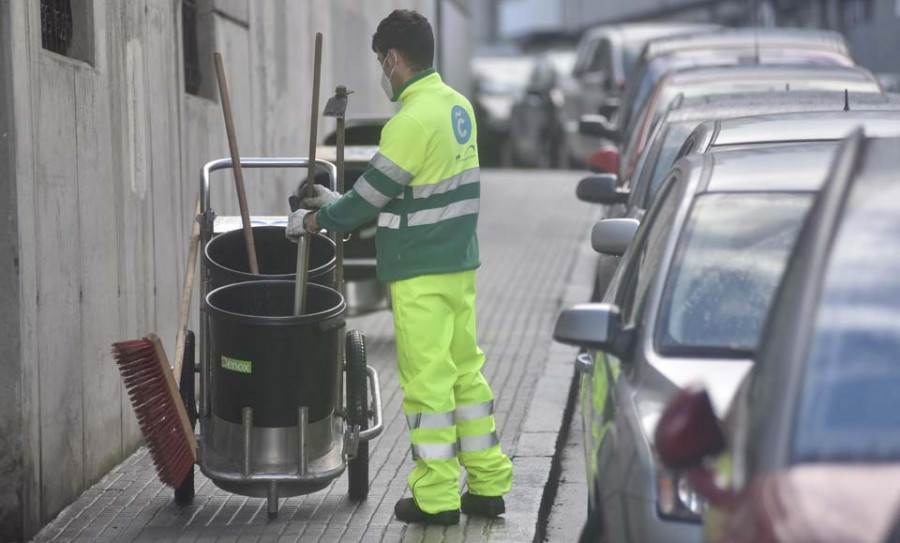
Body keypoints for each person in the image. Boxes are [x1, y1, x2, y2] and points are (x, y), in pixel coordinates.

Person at [286, 9, 512, 526]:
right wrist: (342, 198)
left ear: (392, 58)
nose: (380, 74)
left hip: (419, 271)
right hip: (458, 264)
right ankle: (488, 483)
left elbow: (372, 198)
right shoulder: (458, 108)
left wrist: (317, 218)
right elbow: (410, 190)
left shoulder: (409, 120)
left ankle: (435, 498)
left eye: (380, 63)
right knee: (465, 375)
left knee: (427, 383)